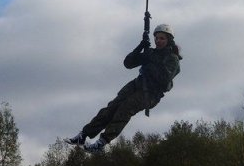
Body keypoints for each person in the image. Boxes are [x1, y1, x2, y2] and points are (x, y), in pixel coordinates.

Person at [65, 24, 182, 153]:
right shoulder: (151, 53)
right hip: (137, 84)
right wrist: (140, 47)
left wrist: (150, 59)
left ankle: (101, 142)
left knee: (124, 110)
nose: (158, 41)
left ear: (169, 40)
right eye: (157, 38)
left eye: (162, 39)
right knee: (111, 108)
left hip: (150, 94)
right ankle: (83, 135)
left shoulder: (172, 59)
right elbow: (128, 63)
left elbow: (164, 78)